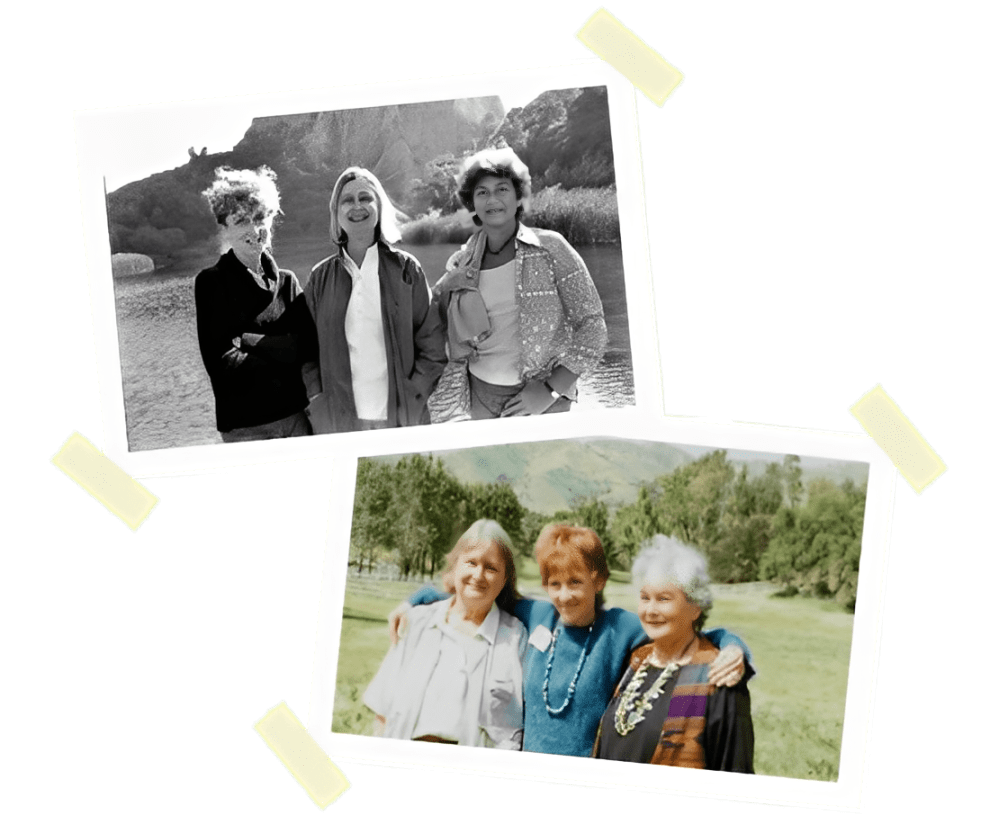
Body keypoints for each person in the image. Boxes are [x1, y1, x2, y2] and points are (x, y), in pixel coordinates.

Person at [391, 523, 752, 757]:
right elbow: (475, 593)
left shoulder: (620, 627)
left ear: (599, 581)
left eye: (575, 582)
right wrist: (416, 600)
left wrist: (733, 646)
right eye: (554, 584)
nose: (564, 596)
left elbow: (690, 631)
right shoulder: (537, 616)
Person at [430, 147, 607, 421]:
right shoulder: (464, 261)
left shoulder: (552, 248)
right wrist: (443, 287)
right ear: (472, 203)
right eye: (482, 192)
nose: (492, 199)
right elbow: (433, 322)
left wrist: (549, 390)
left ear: (518, 196)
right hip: (480, 399)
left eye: (502, 189)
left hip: (546, 402)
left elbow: (593, 327)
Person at [594, 536, 755, 771]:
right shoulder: (637, 660)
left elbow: (734, 774)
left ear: (695, 607)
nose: (650, 610)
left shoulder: (718, 677)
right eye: (645, 598)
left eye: (663, 599)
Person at [304, 167, 446, 433]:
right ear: (336, 211)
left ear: (379, 206)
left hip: (401, 419)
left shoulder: (407, 270)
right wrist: (317, 397)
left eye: (365, 198)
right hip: (339, 422)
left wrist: (414, 395)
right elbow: (305, 351)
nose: (357, 206)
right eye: (347, 200)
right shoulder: (319, 278)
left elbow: (433, 343)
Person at [363, 520, 527, 748]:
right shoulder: (416, 623)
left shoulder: (514, 639)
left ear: (505, 578)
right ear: (455, 565)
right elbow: (383, 713)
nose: (478, 575)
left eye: (491, 568)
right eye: (471, 562)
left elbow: (513, 734)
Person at [195, 166, 317, 442]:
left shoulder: (287, 282)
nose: (254, 229)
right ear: (224, 226)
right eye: (241, 221)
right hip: (246, 428)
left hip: (297, 421)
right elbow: (222, 363)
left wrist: (248, 340)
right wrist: (284, 353)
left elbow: (307, 348)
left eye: (260, 218)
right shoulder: (211, 283)